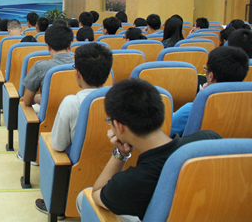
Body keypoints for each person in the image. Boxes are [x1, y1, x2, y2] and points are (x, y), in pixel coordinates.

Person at [83, 78, 221, 221]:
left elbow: (97, 192)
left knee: (83, 196)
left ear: (118, 126)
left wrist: (121, 154)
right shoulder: (210, 140)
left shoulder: (130, 184)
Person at [35, 43, 113, 214]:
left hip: (77, 172)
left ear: (77, 73)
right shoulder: (121, 100)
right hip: (114, 173)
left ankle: (55, 206)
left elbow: (58, 144)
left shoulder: (72, 102)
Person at [171, 45, 249, 136]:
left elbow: (166, 130)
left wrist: (199, 100)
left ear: (211, 76)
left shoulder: (192, 110)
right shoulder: (248, 108)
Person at [22, 25, 74, 111]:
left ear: (48, 47)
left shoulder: (40, 67)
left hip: (47, 117)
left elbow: (27, 101)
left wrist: (41, 97)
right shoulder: (82, 66)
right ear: (70, 45)